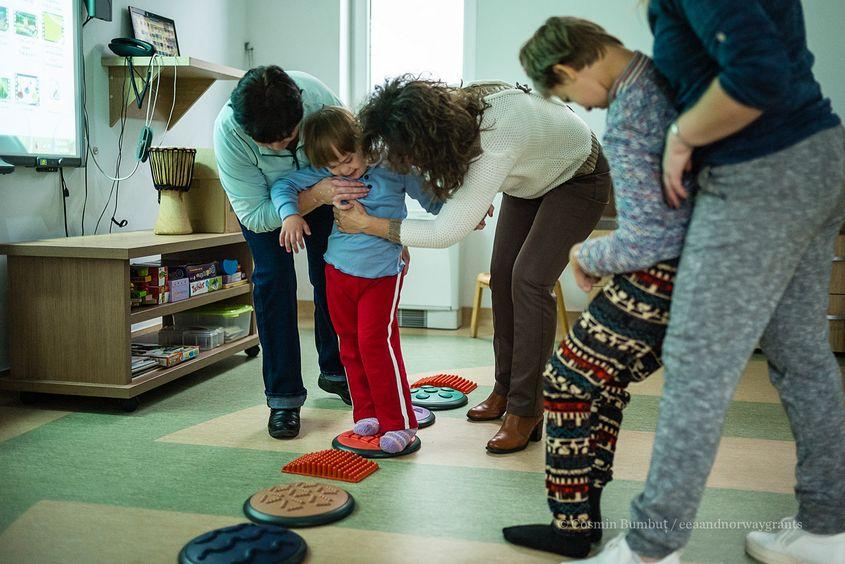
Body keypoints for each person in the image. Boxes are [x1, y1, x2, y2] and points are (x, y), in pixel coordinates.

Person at [581, 2, 845, 563]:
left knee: (697, 363)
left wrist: (681, 136)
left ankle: (651, 548)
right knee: (801, 353)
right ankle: (828, 529)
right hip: (816, 156)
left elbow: (756, 73)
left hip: (759, 172)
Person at [500, 17, 695, 559]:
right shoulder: (657, 76)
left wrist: (584, 253)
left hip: (660, 274)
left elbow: (647, 237)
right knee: (600, 383)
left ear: (565, 69)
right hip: (689, 269)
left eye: (568, 95)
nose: (583, 108)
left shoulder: (631, 109)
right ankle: (581, 519)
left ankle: (574, 529)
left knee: (565, 383)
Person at [333, 76, 612, 454]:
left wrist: (366, 224)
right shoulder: (460, 113)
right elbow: (456, 203)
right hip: (532, 178)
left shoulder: (494, 140)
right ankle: (504, 389)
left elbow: (444, 233)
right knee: (502, 277)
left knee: (529, 280)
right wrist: (463, 204)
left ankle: (526, 410)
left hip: (579, 176)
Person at [270, 106, 442, 453]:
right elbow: (283, 185)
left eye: (348, 159)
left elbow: (433, 199)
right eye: (333, 167)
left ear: (363, 141)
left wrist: (470, 209)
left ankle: (400, 422)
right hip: (337, 271)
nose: (343, 170)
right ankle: (368, 414)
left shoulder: (394, 167)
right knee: (349, 345)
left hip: (381, 276)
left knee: (377, 346)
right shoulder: (328, 172)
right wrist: (290, 214)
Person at [213, 66, 369, 439]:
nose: (281, 148)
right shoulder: (229, 136)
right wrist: (310, 198)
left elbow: (351, 149)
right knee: (274, 284)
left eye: (288, 138)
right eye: (269, 144)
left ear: (301, 113)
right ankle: (283, 399)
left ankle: (336, 371)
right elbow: (253, 213)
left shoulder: (317, 97)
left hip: (324, 191)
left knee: (332, 276)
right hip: (266, 207)